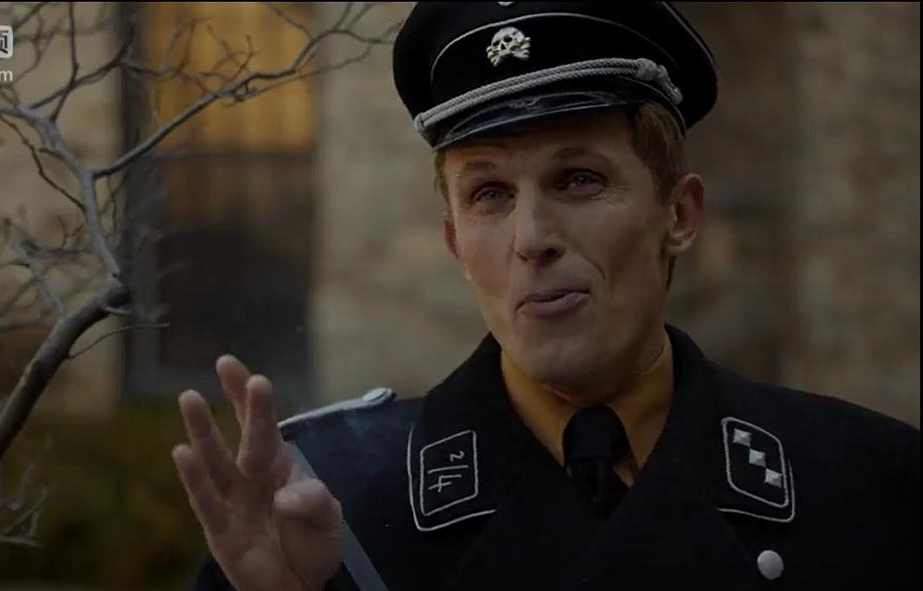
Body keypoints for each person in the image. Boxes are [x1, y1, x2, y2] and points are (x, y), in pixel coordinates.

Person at [172, 3, 921, 590]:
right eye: (490, 193)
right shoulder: (335, 507)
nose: (531, 238)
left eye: (578, 179)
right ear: (455, 243)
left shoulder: (872, 485)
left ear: (678, 214)